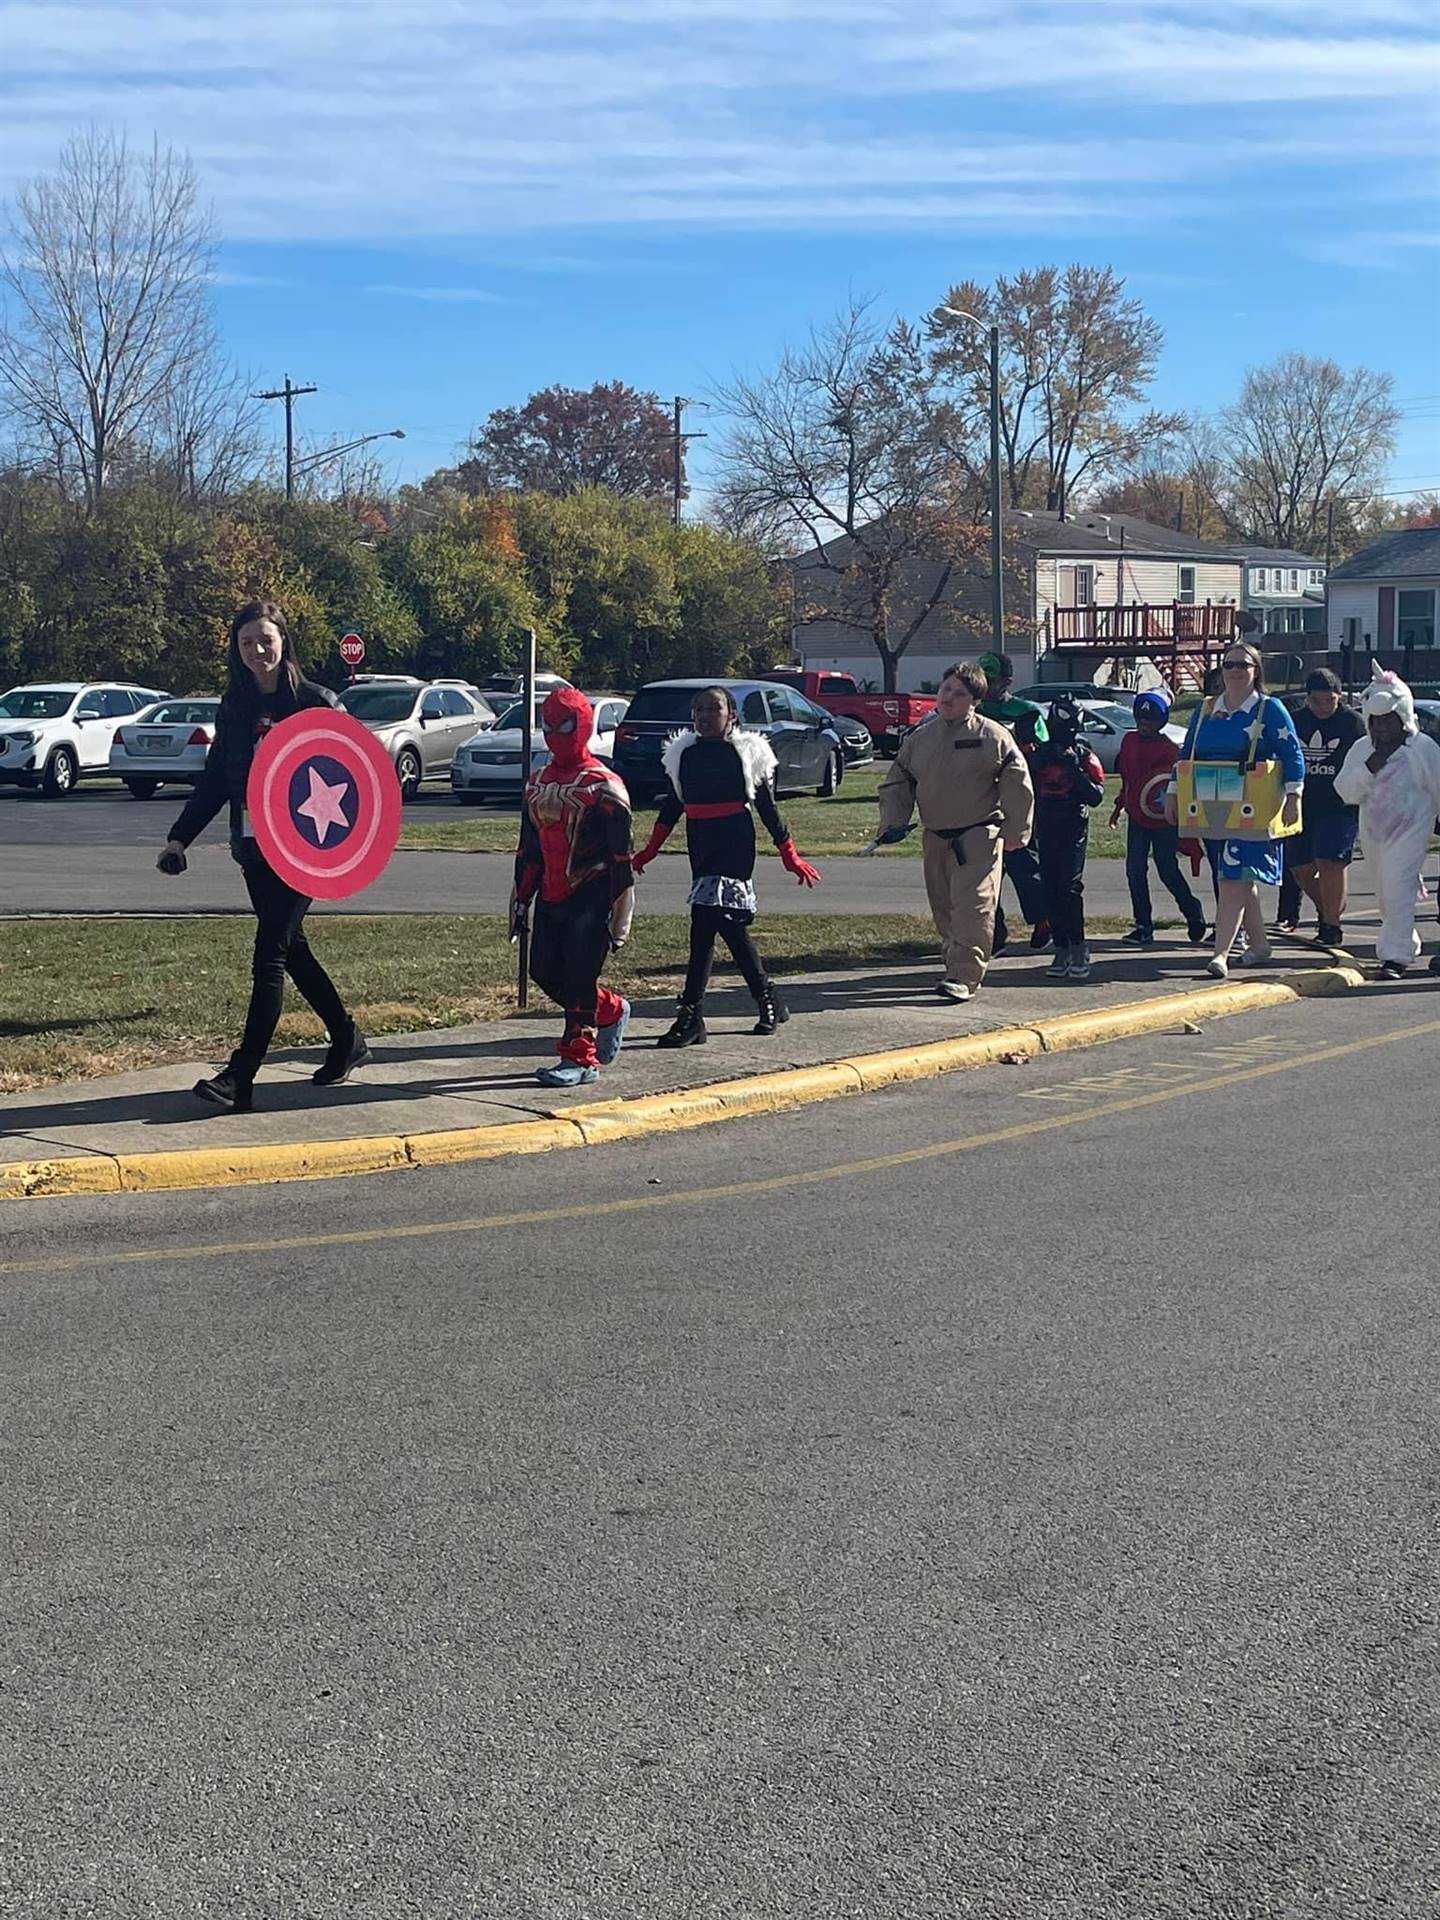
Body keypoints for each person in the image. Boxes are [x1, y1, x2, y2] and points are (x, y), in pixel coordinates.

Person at [156, 601, 366, 1112]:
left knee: (269, 955)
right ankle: (346, 1038)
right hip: (252, 849)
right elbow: (215, 780)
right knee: (292, 949)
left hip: (305, 851)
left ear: (283, 641)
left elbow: (357, 774)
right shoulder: (234, 707)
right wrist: (179, 838)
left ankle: (240, 1076)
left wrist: (345, 848)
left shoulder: (317, 703)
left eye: (264, 640)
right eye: (246, 642)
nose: (256, 651)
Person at [632, 685, 820, 1047]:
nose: (704, 716)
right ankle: (767, 998)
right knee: (723, 929)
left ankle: (692, 1016)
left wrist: (789, 855)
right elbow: (673, 807)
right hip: (701, 843)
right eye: (699, 709)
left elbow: (768, 808)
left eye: (713, 709)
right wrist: (648, 851)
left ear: (731, 714)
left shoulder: (746, 753)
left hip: (734, 842)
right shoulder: (683, 754)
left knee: (707, 924)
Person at [875, 662, 1034, 1003]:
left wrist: (1017, 828)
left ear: (974, 700)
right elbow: (898, 782)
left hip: (979, 835)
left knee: (973, 906)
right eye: (946, 689)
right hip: (936, 836)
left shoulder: (992, 735)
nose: (948, 697)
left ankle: (964, 975)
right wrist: (892, 822)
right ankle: (953, 961)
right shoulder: (921, 737)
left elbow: (1017, 780)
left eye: (958, 693)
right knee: (945, 908)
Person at [512, 686, 635, 1086]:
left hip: (592, 889)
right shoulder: (536, 783)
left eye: (563, 725)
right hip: (551, 890)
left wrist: (621, 911)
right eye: (547, 726)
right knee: (544, 970)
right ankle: (609, 1008)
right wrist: (520, 899)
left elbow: (621, 857)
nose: (554, 735)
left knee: (580, 974)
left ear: (582, 725)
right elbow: (529, 848)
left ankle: (580, 1057)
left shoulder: (605, 786)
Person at [1165, 641, 1304, 980]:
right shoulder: (1206, 709)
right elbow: (1187, 754)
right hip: (1212, 805)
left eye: (1244, 664)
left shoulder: (1269, 709)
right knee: (1237, 876)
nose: (1236, 671)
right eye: (1230, 665)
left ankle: (1221, 953)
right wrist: (1173, 791)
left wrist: (1293, 796)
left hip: (1254, 805)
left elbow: (1292, 754)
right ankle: (1259, 945)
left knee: (1232, 876)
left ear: (1256, 671)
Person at [1333, 666, 1440, 980]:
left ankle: (1395, 957)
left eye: (1388, 720)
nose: (1381, 728)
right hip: (1374, 836)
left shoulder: (1421, 750)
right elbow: (1345, 791)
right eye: (1375, 721)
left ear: (1403, 715)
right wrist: (1369, 769)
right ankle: (1406, 940)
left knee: (1396, 887)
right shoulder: (1362, 750)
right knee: (1386, 893)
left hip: (1411, 831)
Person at [1109, 689, 1208, 948]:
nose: (1145, 726)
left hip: (1164, 818)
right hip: (1137, 818)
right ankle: (1143, 925)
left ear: (1161, 721)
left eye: (1151, 722)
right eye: (1141, 721)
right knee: (1135, 870)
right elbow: (1129, 780)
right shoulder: (1128, 742)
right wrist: (1119, 805)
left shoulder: (1168, 749)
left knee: (1167, 869)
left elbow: (1173, 783)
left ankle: (1192, 911)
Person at [1278, 670, 1364, 949]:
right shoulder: (1296, 721)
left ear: (1339, 698)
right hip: (1303, 804)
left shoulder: (1353, 724)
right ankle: (1328, 908)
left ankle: (1332, 926)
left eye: (1330, 701)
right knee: (1300, 869)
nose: (1323, 707)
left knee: (1331, 861)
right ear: (1308, 699)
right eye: (1317, 701)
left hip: (1340, 805)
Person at [976, 651, 1051, 953]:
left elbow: (1044, 756)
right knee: (984, 875)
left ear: (1006, 681)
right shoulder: (972, 711)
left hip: (1018, 802)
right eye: (982, 678)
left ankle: (1044, 919)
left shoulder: (1027, 712)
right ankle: (995, 934)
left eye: (991, 679)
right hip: (980, 805)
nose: (985, 684)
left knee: (1025, 869)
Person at [1029, 696, 1107, 981]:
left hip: (1074, 825)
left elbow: (1096, 796)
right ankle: (1061, 946)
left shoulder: (1084, 753)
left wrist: (1074, 769)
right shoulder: (1041, 754)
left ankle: (1078, 946)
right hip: (1047, 826)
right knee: (1050, 887)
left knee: (1070, 887)